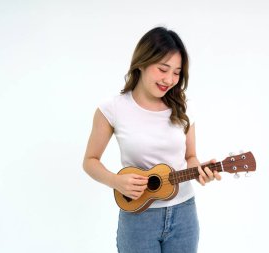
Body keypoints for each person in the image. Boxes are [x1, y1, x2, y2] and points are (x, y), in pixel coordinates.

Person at [83, 26, 221, 253]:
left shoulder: (184, 106)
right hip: (138, 217)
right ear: (142, 62)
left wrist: (200, 170)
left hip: (184, 213)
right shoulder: (112, 108)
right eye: (163, 69)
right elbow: (90, 160)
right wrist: (115, 181)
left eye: (177, 72)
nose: (170, 79)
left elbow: (190, 156)